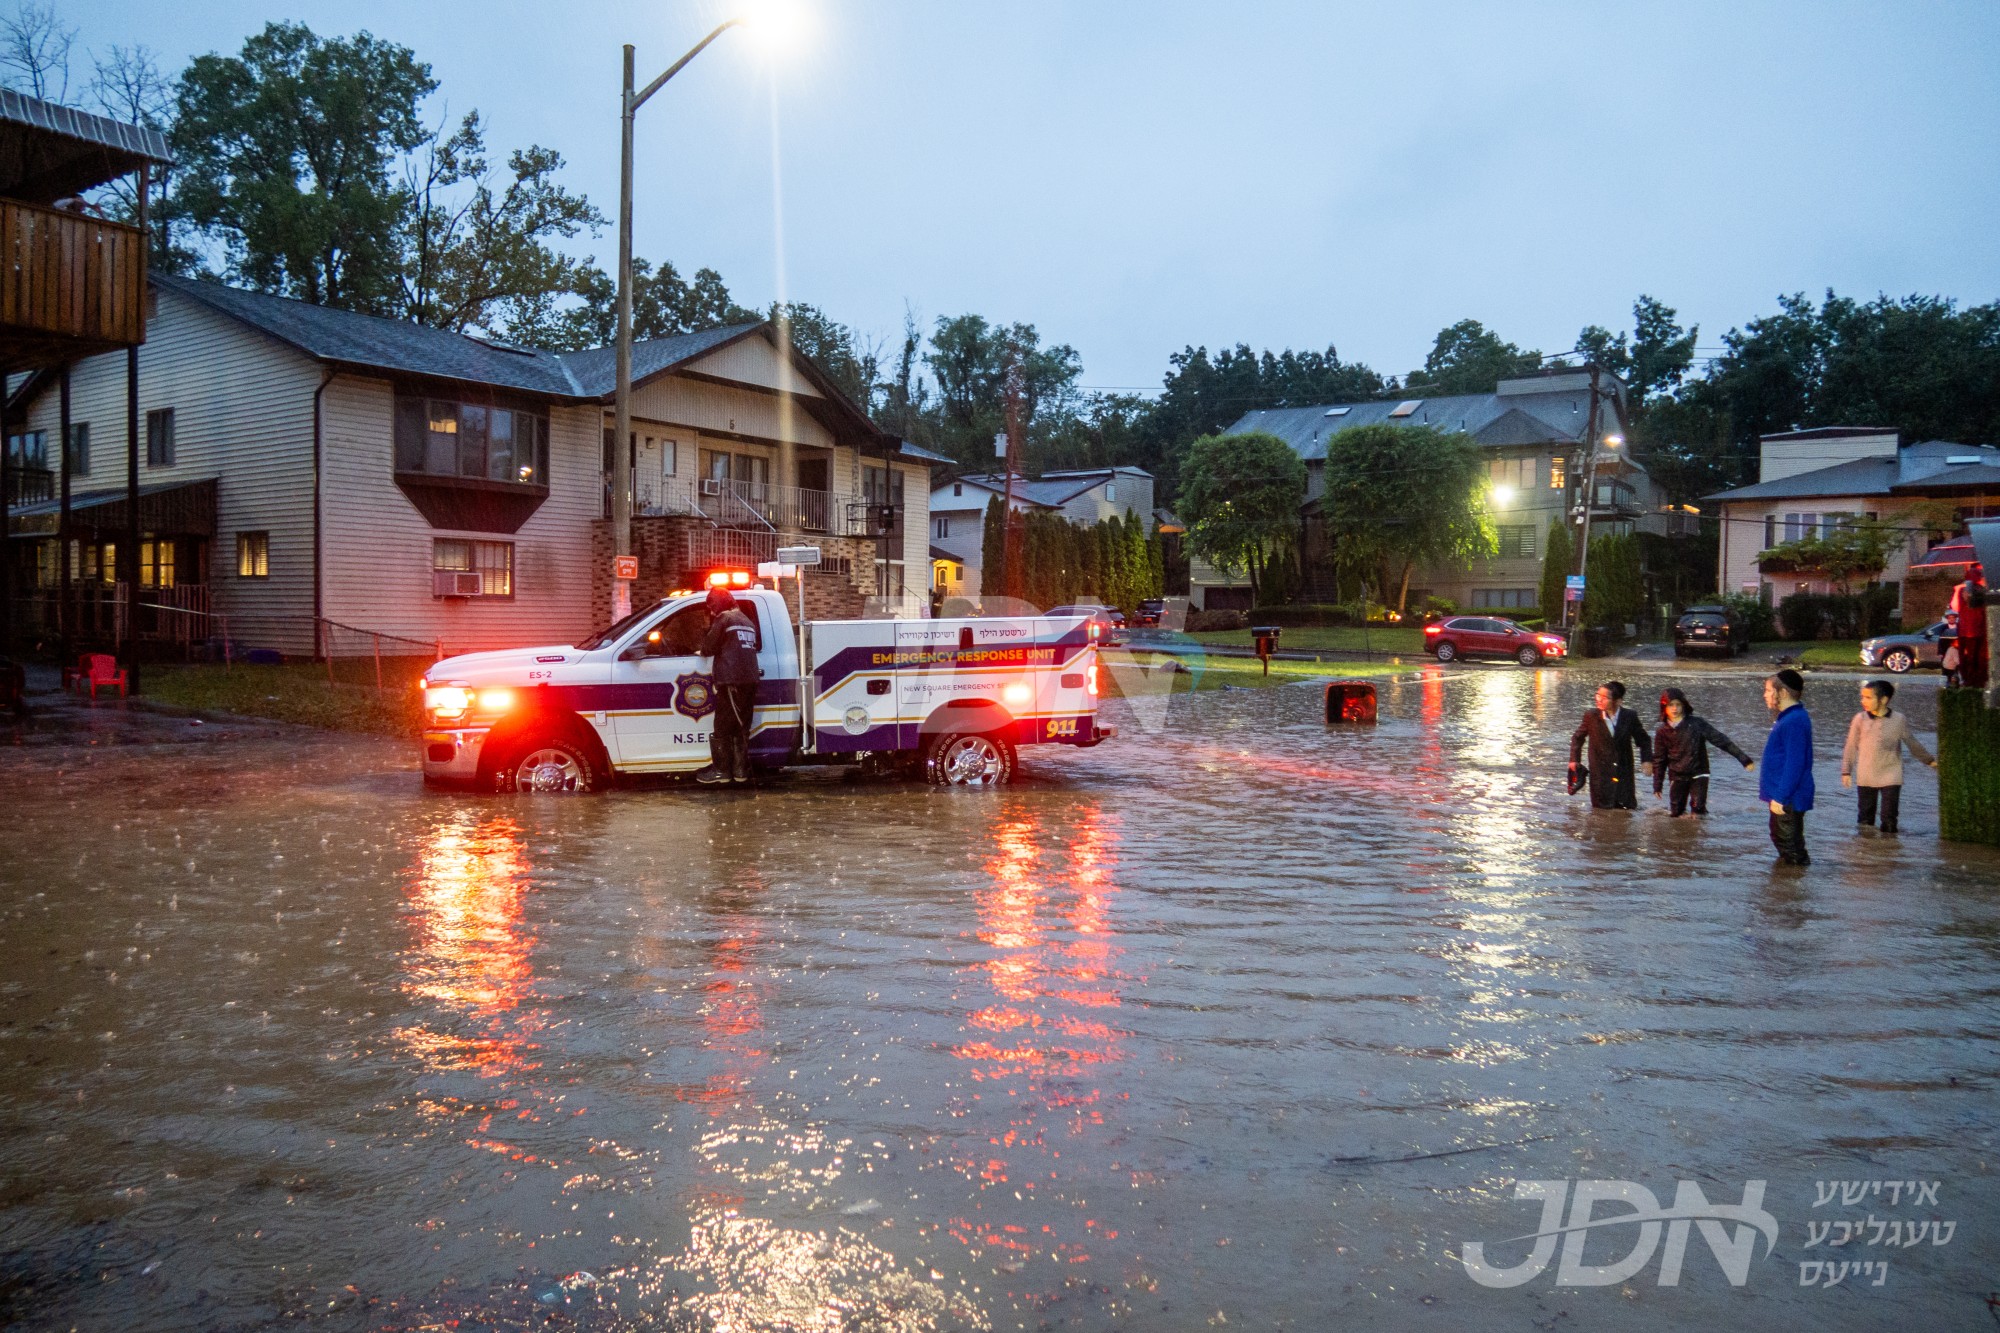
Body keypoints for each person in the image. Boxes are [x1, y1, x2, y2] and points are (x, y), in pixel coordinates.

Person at [1840, 679, 1937, 835]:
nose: (1863, 701)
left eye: (1868, 697)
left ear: (1884, 700)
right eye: (1862, 697)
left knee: (1889, 819)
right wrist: (1846, 771)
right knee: (1865, 820)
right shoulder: (1860, 719)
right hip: (1866, 775)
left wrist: (1930, 761)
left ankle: (1890, 854)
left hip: (1891, 774)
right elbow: (1850, 746)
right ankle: (1866, 853)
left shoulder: (1899, 719)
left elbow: (1912, 743)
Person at [695, 586, 762, 786]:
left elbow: (708, 647)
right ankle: (740, 771)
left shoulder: (724, 618)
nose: (712, 611)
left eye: (712, 606)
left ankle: (722, 770)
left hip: (731, 681)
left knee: (723, 726)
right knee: (741, 726)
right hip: (748, 680)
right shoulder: (746, 620)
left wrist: (703, 644)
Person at [1651, 687, 1753, 816]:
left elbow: (1721, 740)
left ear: (1684, 705)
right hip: (1677, 774)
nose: (1675, 709)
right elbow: (1660, 759)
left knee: (1698, 810)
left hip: (1699, 772)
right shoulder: (1662, 731)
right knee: (1676, 812)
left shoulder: (1697, 724)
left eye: (1678, 705)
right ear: (1664, 707)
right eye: (1671, 705)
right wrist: (1657, 785)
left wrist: (1743, 758)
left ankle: (1700, 830)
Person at [1759, 669, 1815, 866]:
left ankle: (1794, 891)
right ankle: (1787, 890)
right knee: (1782, 841)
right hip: (1784, 795)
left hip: (1788, 797)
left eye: (1768, 690)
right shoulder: (1790, 717)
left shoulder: (1794, 721)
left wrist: (1781, 796)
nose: (1765, 695)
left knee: (1790, 847)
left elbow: (1795, 762)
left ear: (1782, 693)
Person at [1569, 680, 1653, 810]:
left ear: (1618, 701)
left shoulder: (1629, 716)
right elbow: (1577, 737)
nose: (1599, 700)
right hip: (1599, 771)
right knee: (1599, 810)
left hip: (1623, 771)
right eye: (1598, 695)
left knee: (1626, 809)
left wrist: (1646, 760)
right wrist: (1574, 760)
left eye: (1604, 697)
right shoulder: (1591, 716)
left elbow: (1644, 740)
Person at [1950, 562, 1988, 689]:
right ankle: (1977, 681)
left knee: (1967, 658)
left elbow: (1954, 607)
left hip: (1965, 631)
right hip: (1979, 630)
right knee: (1978, 658)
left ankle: (1968, 680)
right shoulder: (1982, 591)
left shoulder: (1962, 590)